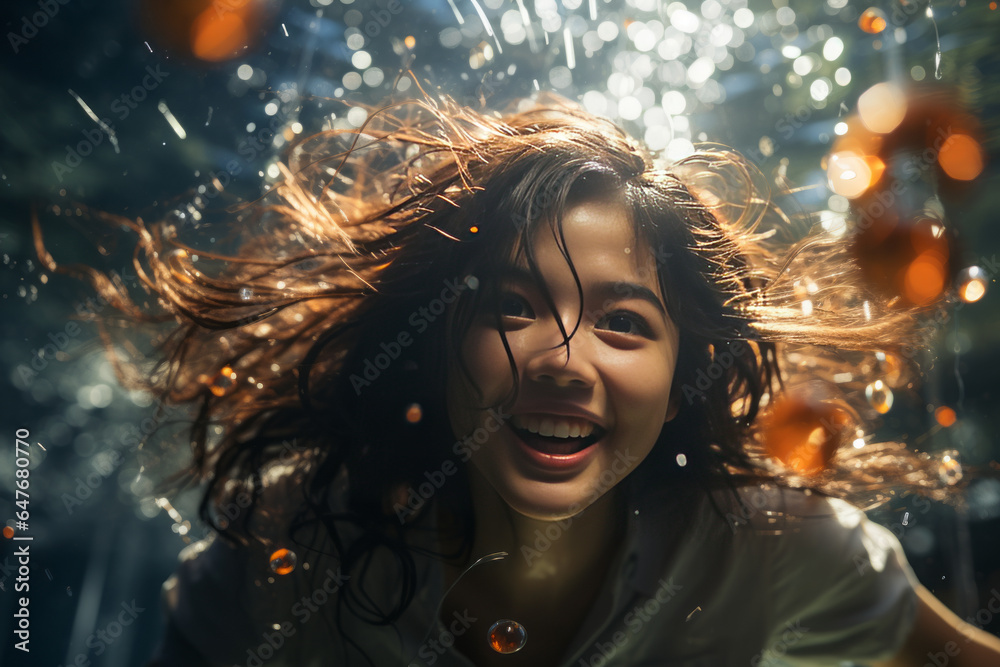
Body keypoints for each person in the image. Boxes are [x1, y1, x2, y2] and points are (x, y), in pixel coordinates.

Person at [46, 95, 1000, 666]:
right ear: (437, 340)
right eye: (510, 307)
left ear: (686, 372)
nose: (562, 359)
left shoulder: (775, 548)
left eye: (624, 323)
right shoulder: (289, 546)